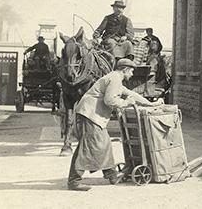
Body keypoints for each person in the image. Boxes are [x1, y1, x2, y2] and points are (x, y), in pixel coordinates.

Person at [67, 58, 163, 191]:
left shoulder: (114, 78)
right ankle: (74, 181)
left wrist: (151, 104)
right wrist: (126, 103)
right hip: (90, 115)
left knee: (101, 143)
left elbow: (131, 94)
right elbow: (110, 100)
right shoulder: (115, 79)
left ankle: (111, 175)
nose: (132, 74)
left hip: (90, 114)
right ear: (125, 70)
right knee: (90, 146)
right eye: (131, 71)